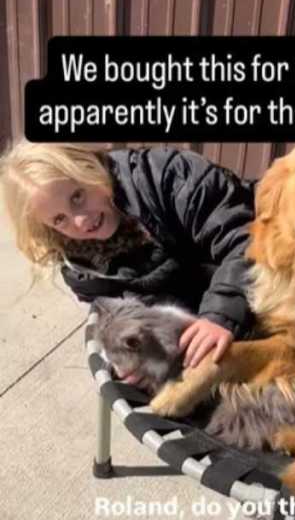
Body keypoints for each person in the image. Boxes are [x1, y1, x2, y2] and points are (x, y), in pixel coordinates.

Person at [1, 141, 255, 369]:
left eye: (77, 197)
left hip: (266, 280)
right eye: (59, 219)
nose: (80, 221)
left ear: (88, 167)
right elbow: (132, 307)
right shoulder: (81, 267)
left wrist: (220, 315)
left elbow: (248, 239)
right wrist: (147, 356)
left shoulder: (167, 177)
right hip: (201, 310)